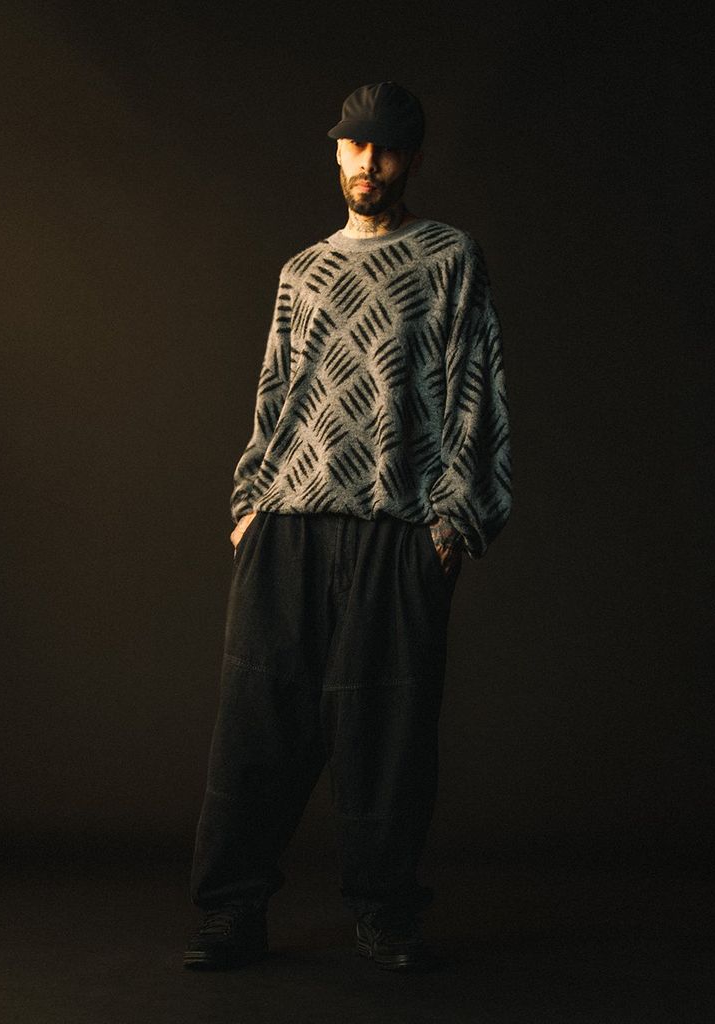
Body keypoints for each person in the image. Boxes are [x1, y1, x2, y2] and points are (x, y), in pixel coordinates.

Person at [183, 81, 512, 972]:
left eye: (388, 148)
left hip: (394, 525)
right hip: (289, 523)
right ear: (336, 152)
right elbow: (275, 391)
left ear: (413, 158)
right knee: (257, 727)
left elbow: (475, 390)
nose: (370, 164)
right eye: (356, 146)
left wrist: (453, 522)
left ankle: (384, 913)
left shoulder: (448, 257)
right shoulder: (304, 270)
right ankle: (231, 912)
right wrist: (251, 501)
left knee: (388, 735)